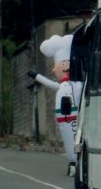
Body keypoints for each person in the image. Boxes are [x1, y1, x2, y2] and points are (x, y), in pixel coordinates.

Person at [27, 34, 83, 176]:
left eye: (67, 63)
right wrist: (36, 76)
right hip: (64, 118)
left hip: (74, 115)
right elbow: (50, 84)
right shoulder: (65, 85)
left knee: (76, 139)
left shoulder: (77, 84)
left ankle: (76, 162)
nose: (65, 67)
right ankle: (72, 162)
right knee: (68, 140)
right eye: (62, 64)